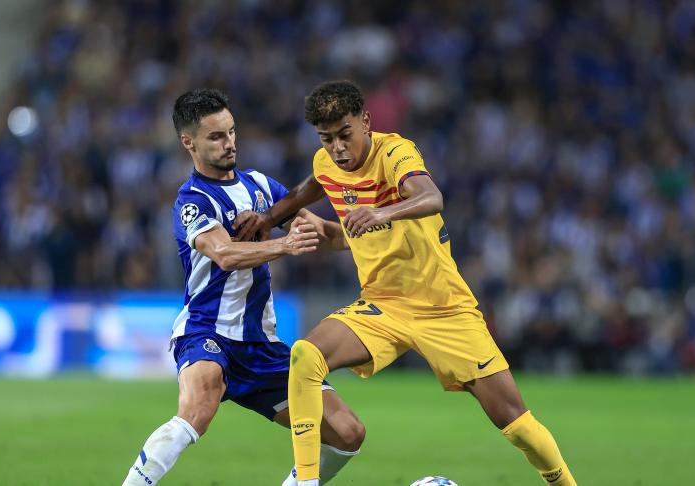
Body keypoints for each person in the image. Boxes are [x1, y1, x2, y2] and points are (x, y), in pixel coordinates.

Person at [235, 80, 577, 486]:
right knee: (306, 356)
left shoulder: (395, 151)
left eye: (345, 135)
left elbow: (431, 197)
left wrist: (381, 213)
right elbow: (304, 191)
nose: (338, 148)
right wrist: (270, 219)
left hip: (444, 308)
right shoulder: (327, 163)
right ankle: (307, 482)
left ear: (365, 121)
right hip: (382, 306)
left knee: (515, 422)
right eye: (327, 139)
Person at [121, 88, 364, 486]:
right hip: (206, 331)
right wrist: (285, 244)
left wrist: (369, 234)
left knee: (348, 433)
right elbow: (225, 254)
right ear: (189, 142)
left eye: (232, 132)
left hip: (261, 345)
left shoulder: (260, 186)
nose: (229, 142)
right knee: (198, 410)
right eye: (216, 137)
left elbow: (314, 232)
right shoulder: (192, 200)